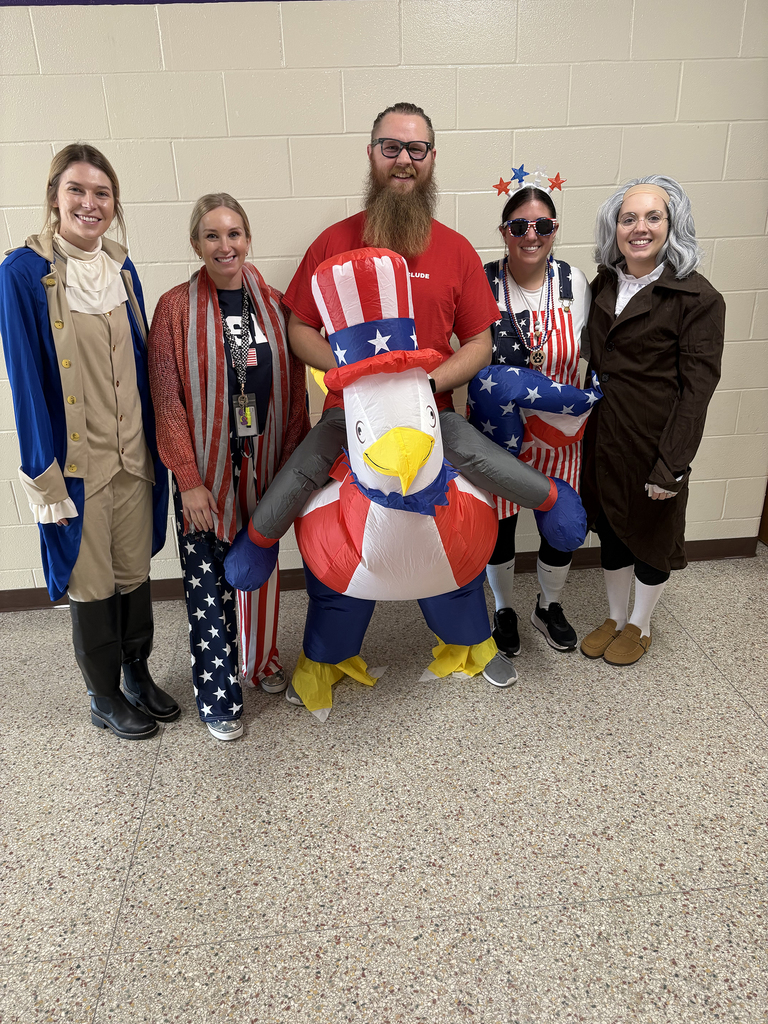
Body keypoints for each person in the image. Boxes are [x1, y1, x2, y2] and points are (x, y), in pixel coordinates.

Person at [242, 102, 562, 552]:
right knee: (299, 475)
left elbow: (479, 343)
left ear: (432, 158)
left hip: (432, 412)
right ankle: (256, 546)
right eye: (391, 147)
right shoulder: (332, 241)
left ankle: (552, 502)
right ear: (371, 153)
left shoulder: (457, 250)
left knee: (485, 467)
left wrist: (424, 384)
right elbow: (300, 328)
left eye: (416, 148)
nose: (404, 160)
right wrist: (356, 374)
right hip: (349, 412)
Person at [0, 144, 172, 740]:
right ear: (55, 196)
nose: (89, 203)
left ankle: (137, 675)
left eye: (102, 193)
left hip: (134, 456)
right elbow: (25, 381)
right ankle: (104, 695)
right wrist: (42, 476)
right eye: (76, 189)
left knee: (134, 572)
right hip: (78, 464)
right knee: (92, 582)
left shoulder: (123, 269)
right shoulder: (22, 273)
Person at [148, 194, 310, 741]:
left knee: (257, 566)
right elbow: (167, 400)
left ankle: (260, 661)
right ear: (196, 243)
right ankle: (218, 694)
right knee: (208, 586)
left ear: (248, 239)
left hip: (264, 464)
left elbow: (294, 393)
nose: (225, 246)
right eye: (212, 235)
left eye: (234, 233)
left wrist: (289, 468)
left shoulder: (273, 304)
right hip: (205, 471)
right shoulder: (174, 309)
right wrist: (189, 480)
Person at [580, 175, 725, 665]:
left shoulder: (697, 298)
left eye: (652, 217)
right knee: (612, 530)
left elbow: (697, 392)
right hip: (605, 435)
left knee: (651, 536)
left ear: (672, 225)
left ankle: (640, 624)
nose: (639, 228)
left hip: (655, 443)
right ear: (615, 228)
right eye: (628, 218)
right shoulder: (605, 282)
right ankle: (615, 616)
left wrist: (672, 466)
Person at [481, 183, 591, 666]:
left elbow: (591, 352)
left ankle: (548, 607)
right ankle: (504, 609)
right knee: (500, 529)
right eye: (519, 225)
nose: (531, 234)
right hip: (498, 437)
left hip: (558, 437)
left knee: (560, 527)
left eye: (543, 225)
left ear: (555, 230)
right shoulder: (483, 282)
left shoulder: (575, 283)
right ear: (503, 231)